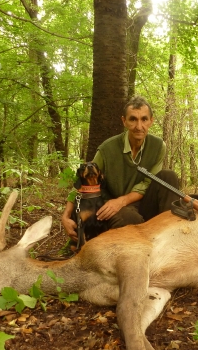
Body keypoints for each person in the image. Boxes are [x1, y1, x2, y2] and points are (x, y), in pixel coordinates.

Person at [62, 96, 179, 243]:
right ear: (124, 121)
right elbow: (82, 181)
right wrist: (66, 216)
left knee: (168, 176)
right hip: (115, 207)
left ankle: (169, 237)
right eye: (133, 119)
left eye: (144, 119)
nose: (139, 126)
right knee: (129, 218)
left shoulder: (158, 146)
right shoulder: (107, 148)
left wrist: (123, 200)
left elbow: (150, 182)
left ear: (151, 121)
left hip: (141, 201)